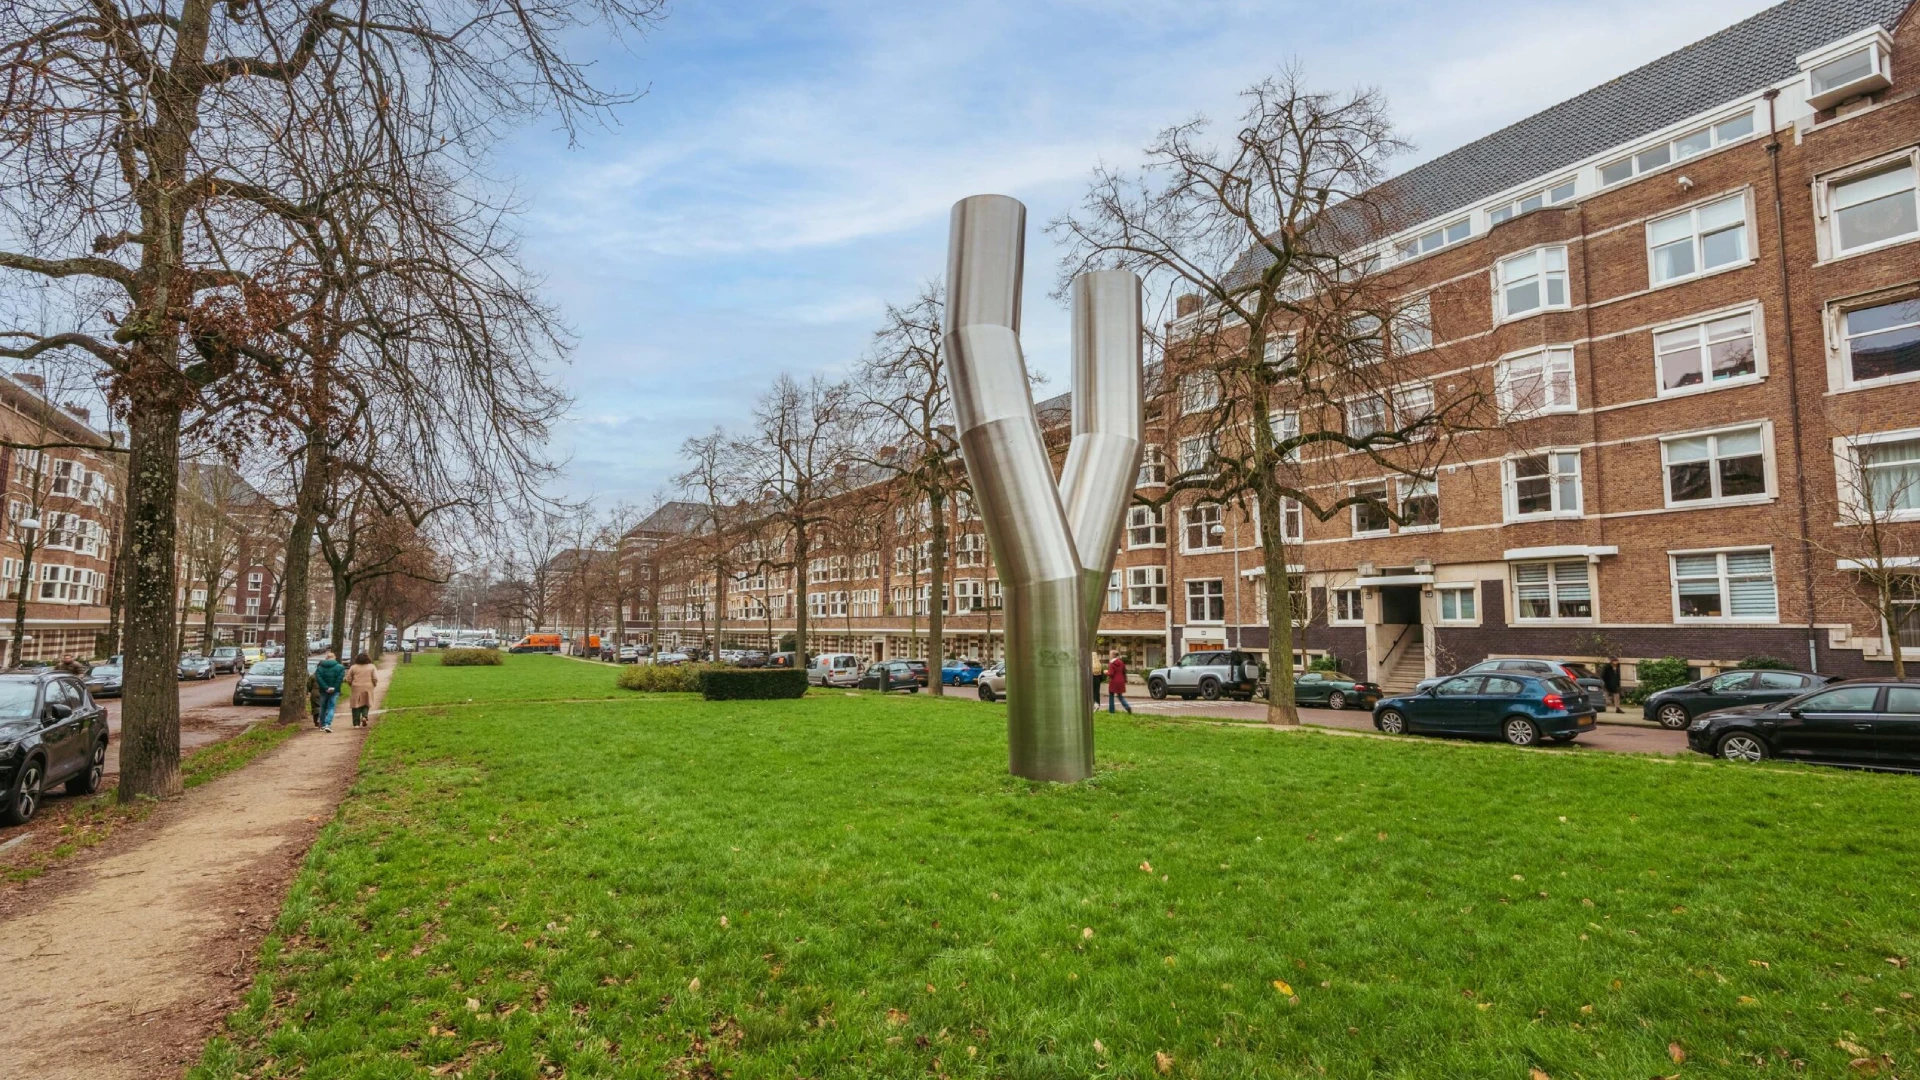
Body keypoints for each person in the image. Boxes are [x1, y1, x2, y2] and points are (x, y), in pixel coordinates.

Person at [312, 650, 347, 732]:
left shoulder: (320, 668)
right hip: (335, 691)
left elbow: (319, 679)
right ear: (334, 658)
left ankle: (322, 724)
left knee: (323, 707)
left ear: (326, 658)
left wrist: (325, 688)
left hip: (323, 691)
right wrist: (334, 687)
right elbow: (339, 679)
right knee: (331, 707)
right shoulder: (340, 667)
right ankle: (328, 724)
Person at [345, 652, 379, 727]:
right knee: (366, 702)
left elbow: (348, 678)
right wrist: (374, 684)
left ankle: (356, 723)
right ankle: (364, 716)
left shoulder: (353, 667)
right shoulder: (372, 667)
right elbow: (375, 678)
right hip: (368, 686)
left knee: (356, 704)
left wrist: (351, 684)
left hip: (356, 686)